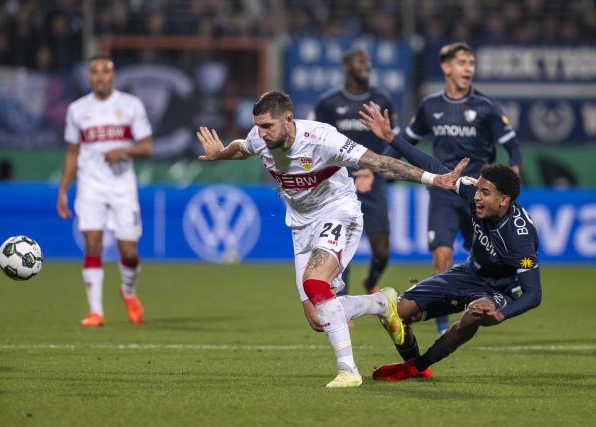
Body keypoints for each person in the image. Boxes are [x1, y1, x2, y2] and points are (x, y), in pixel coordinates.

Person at [196, 91, 468, 387]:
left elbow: (380, 163)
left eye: (267, 126)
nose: (261, 133)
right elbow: (241, 147)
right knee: (318, 319)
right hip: (302, 227)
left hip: (339, 212)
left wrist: (433, 179)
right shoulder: (260, 138)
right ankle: (381, 303)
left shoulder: (322, 138)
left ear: (288, 119)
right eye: (258, 126)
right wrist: (220, 153)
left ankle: (348, 371)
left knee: (315, 281)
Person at [360, 103, 541, 381]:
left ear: (504, 200)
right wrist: (391, 138)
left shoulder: (519, 238)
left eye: (485, 193)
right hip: (469, 272)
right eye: (477, 189)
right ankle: (415, 366)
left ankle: (418, 366)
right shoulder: (474, 196)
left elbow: (532, 294)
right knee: (400, 311)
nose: (477, 197)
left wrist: (501, 314)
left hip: (498, 290)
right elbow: (435, 167)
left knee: (474, 313)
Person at [398, 42, 522, 335]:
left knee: (483, 256)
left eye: (471, 63)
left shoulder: (486, 106)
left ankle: (498, 293)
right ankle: (441, 322)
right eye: (463, 62)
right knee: (441, 255)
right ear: (446, 68)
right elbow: (408, 140)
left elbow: (512, 145)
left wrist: (514, 168)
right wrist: (376, 166)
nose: (469, 68)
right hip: (443, 192)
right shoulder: (430, 106)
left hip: (478, 196)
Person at [56, 54, 153, 327]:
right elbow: (72, 152)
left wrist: (124, 149)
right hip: (90, 186)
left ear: (113, 76)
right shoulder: (77, 110)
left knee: (129, 251)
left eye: (105, 71)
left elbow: (147, 146)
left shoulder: (130, 105)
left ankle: (128, 291)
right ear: (89, 78)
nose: (100, 76)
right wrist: (63, 190)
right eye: (95, 72)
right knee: (92, 243)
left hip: (122, 187)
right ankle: (96, 311)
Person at [313, 48, 397, 296]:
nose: (366, 65)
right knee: (340, 242)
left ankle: (371, 280)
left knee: (382, 250)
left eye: (368, 61)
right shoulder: (328, 103)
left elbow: (394, 139)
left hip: (373, 181)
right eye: (360, 61)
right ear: (346, 66)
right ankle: (340, 299)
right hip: (340, 184)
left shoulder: (382, 100)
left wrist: (378, 170)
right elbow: (319, 144)